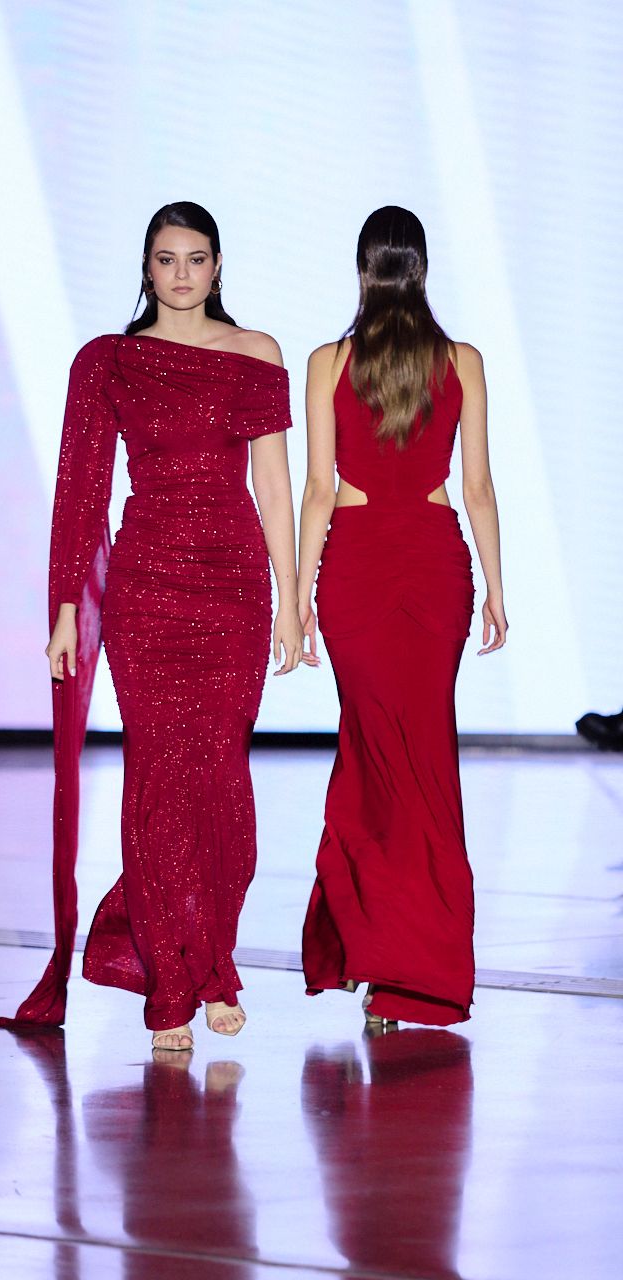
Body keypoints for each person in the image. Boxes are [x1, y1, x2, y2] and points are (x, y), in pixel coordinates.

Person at [0, 201, 301, 1051]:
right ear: (147, 267)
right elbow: (82, 490)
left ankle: (212, 956)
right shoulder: (111, 361)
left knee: (222, 782)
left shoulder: (256, 354)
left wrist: (292, 598)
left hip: (233, 587)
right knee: (158, 781)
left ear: (217, 266)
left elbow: (275, 486)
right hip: (147, 587)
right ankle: (179, 985)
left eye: (196, 258)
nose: (181, 274)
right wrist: (67, 609)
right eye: (166, 259)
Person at [298, 206, 507, 1027]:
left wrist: (297, 598)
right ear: (420, 268)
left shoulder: (327, 362)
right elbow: (477, 487)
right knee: (423, 762)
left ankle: (383, 958)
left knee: (375, 761)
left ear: (363, 270)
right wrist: (495, 588)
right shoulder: (462, 361)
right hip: (431, 567)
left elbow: (319, 491)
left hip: (354, 569)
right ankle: (406, 971)